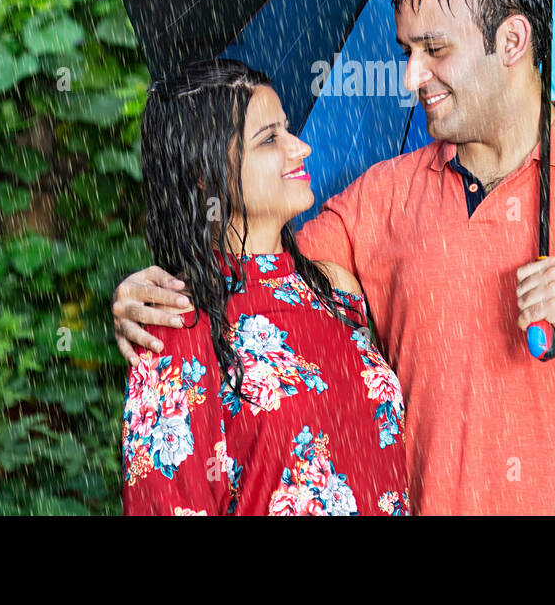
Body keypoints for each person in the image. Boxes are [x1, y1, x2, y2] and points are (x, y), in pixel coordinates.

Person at [114, 0, 555, 515]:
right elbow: (255, 281)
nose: (413, 77)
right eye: (406, 52)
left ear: (512, 42)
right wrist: (152, 294)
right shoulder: (379, 200)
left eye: (435, 50)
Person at [122, 57, 408, 515]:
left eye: (288, 130)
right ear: (204, 172)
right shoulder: (177, 326)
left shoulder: (339, 294)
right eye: (270, 139)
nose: (301, 149)